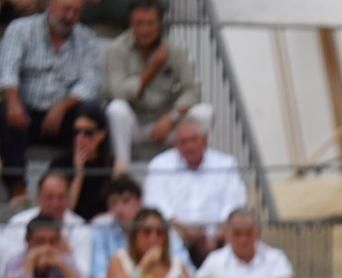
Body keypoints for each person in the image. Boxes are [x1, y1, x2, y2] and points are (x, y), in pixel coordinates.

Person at [0, 0, 100, 203]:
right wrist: (13, 100)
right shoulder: (20, 30)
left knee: (92, 117)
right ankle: (18, 188)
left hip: (64, 112)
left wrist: (62, 106)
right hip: (25, 109)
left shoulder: (88, 39)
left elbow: (91, 83)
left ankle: (63, 182)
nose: (70, 16)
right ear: (50, 5)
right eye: (66, 9)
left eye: (76, 12)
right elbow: (8, 70)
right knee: (5, 111)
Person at [103, 0, 210, 171]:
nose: (144, 30)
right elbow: (118, 92)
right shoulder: (116, 49)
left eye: (150, 24)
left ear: (160, 24)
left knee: (204, 112)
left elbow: (193, 90)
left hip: (167, 124)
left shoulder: (175, 51)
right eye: (138, 24)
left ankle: (194, 168)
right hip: (135, 123)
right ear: (130, 24)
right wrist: (151, 70)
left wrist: (171, 118)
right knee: (116, 109)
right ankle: (122, 170)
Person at [143, 116, 248, 266]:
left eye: (194, 140)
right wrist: (184, 229)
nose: (189, 146)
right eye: (183, 142)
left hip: (219, 234)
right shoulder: (159, 165)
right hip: (175, 233)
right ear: (175, 145)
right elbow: (155, 204)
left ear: (204, 140)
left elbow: (235, 202)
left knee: (242, 228)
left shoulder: (225, 163)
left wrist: (217, 232)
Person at [0, 168, 88, 273]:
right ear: (38, 197)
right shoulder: (17, 223)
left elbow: (85, 276)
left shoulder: (81, 227)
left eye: (61, 197)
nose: (55, 204)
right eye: (49, 197)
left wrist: (66, 256)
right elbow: (6, 269)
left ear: (68, 197)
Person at [195, 207, 293, 278]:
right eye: (237, 233)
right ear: (227, 234)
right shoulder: (215, 261)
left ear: (258, 232)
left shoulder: (275, 258)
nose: (243, 239)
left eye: (249, 233)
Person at [48, 97, 108, 218]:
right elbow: (64, 212)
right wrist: (79, 173)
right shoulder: (60, 163)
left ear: (101, 135)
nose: (81, 138)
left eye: (88, 133)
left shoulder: (109, 165)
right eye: (77, 132)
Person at [105, 205, 187, 278]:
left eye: (159, 233)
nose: (153, 239)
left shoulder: (177, 267)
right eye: (147, 232)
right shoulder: (120, 262)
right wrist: (143, 269)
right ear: (135, 236)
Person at [3, 212, 78, 278]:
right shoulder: (15, 262)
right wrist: (29, 265)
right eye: (40, 241)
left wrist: (61, 266)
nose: (47, 247)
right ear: (28, 241)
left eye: (52, 241)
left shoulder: (65, 260)